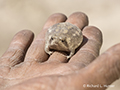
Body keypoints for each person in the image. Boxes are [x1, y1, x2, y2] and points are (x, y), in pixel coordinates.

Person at [0, 12, 119, 90]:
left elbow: (71, 48)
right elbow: (48, 44)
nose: (55, 42)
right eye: (52, 41)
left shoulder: (69, 45)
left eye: (59, 41)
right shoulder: (50, 41)